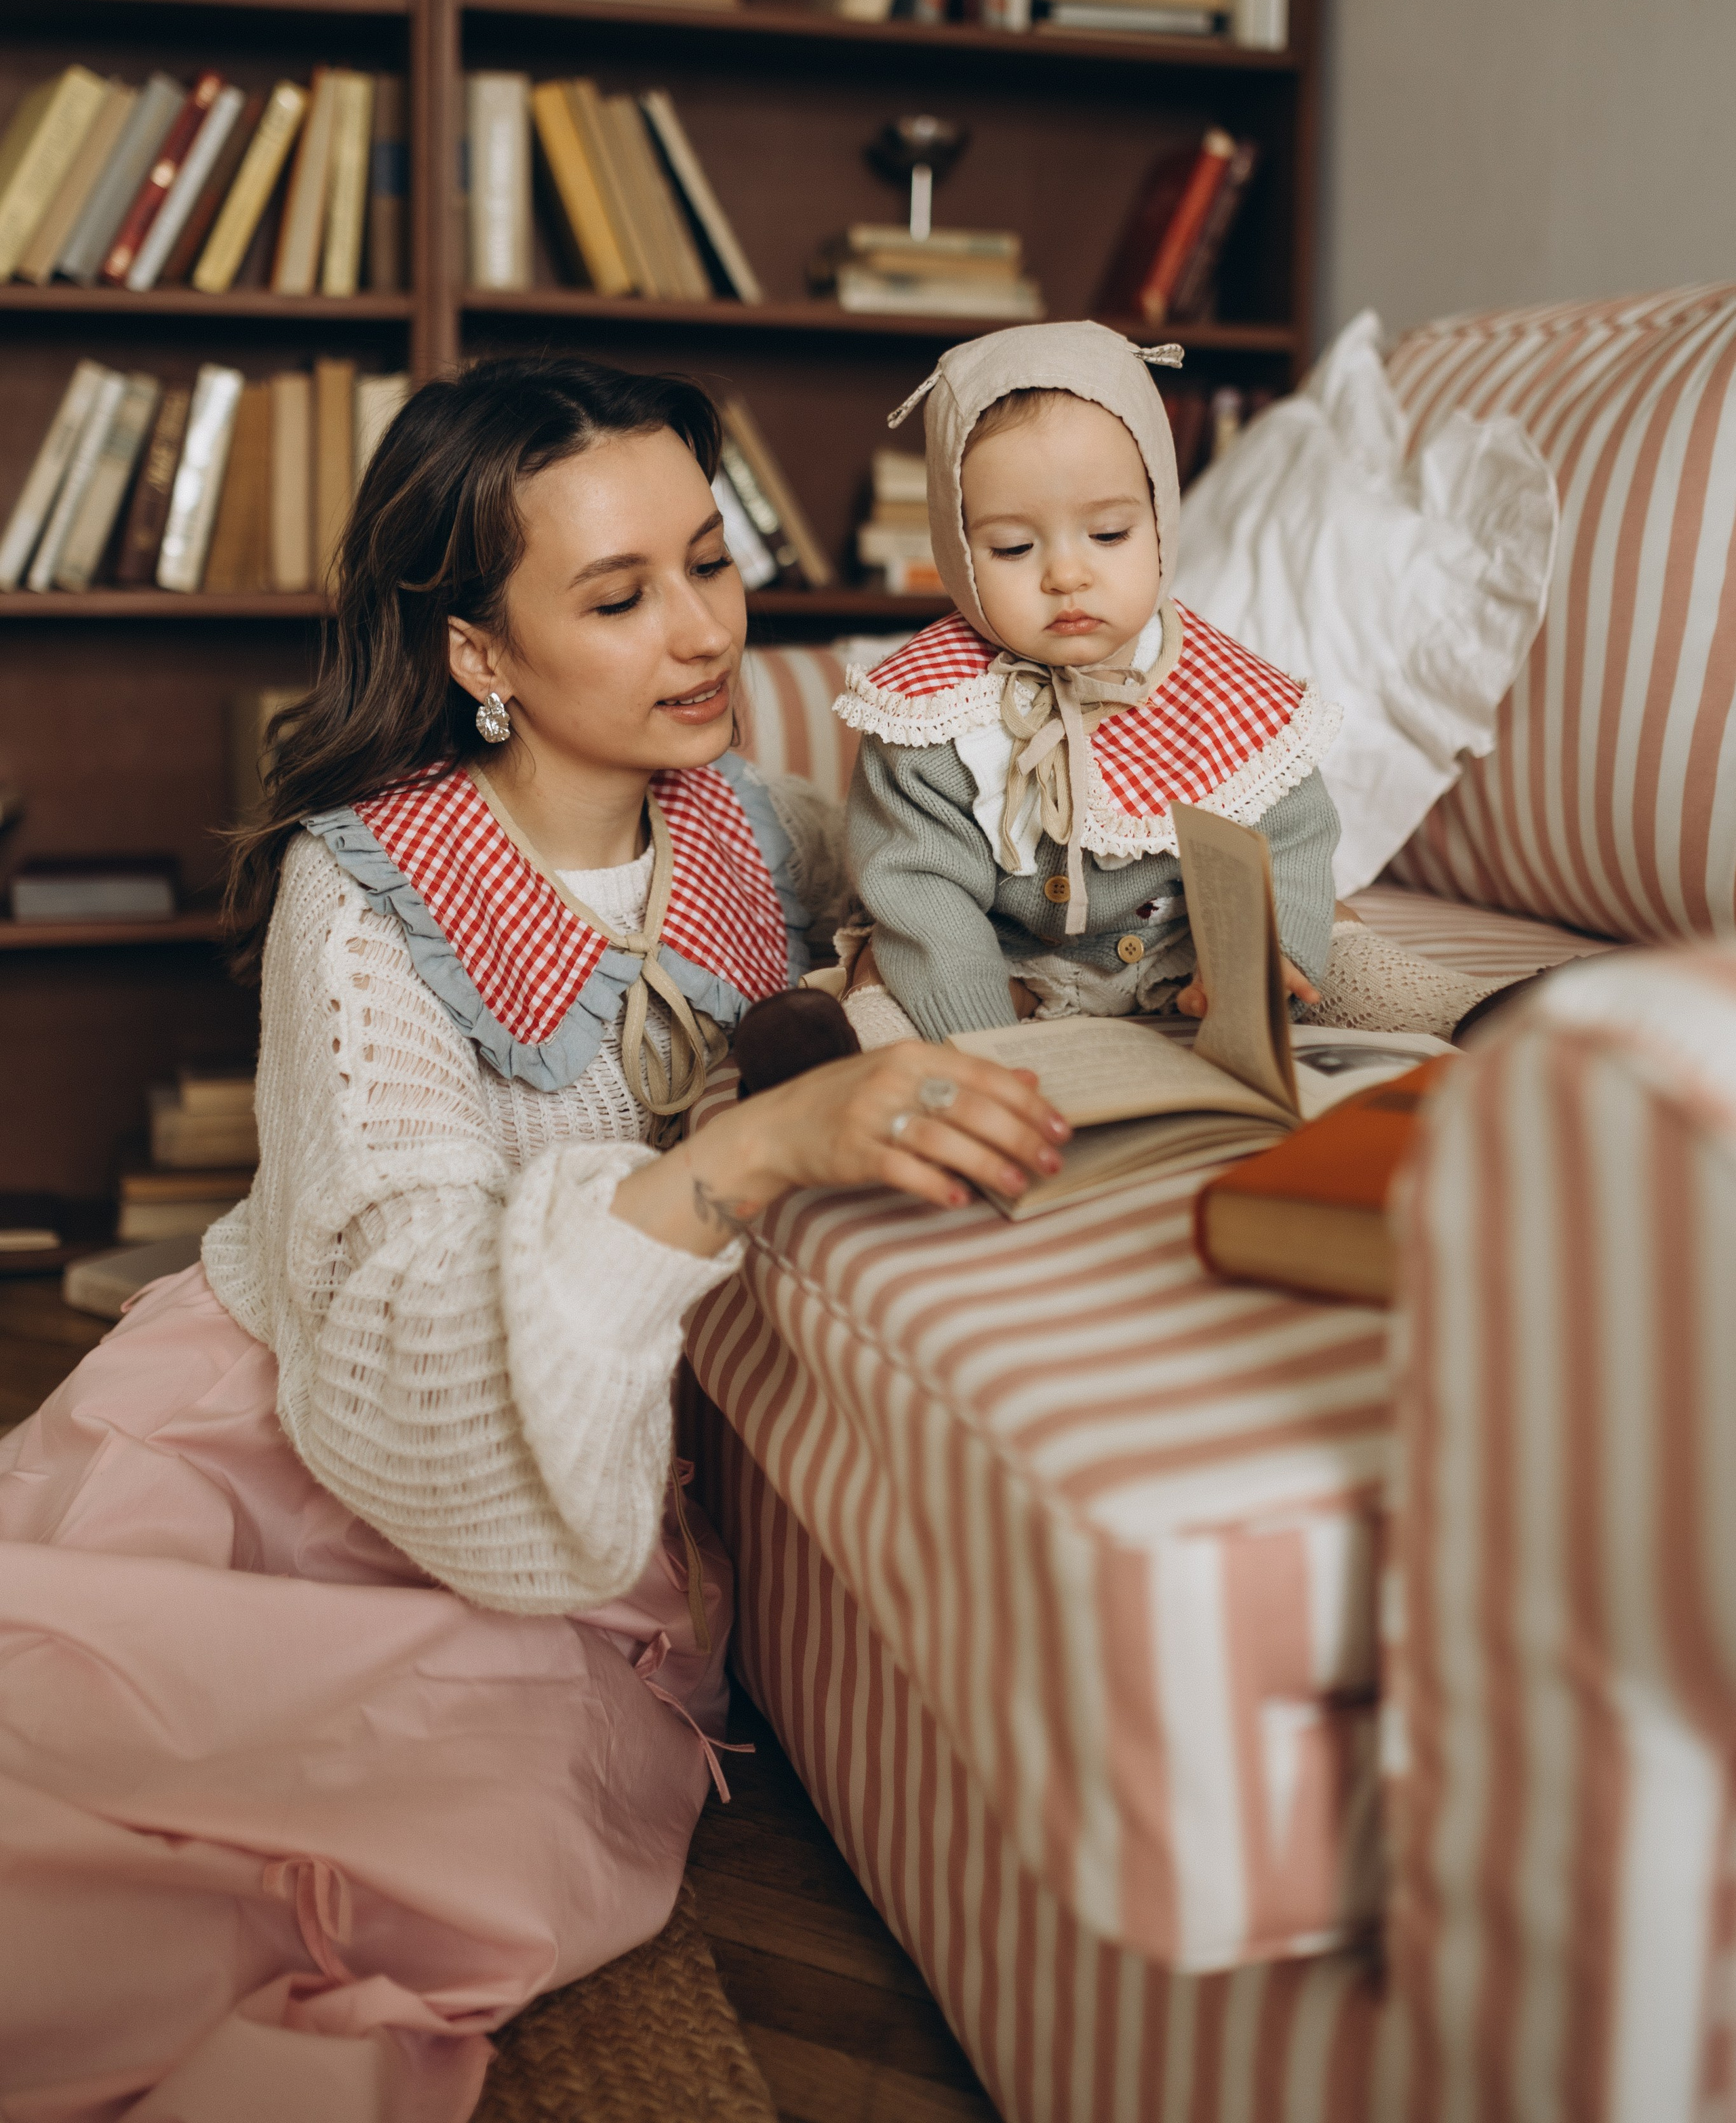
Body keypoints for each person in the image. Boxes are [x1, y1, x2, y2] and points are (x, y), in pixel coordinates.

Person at [0, 355, 1067, 2123]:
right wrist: (753, 1145)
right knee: (109, 1788)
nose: (703, 631)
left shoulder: (743, 823)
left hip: (569, 1483)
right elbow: (406, 1372)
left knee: (479, 1848)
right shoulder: (364, 898)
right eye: (619, 593)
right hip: (307, 1434)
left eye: (711, 565)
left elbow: (952, 881)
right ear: (477, 655)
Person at [831, 321, 1501, 1047]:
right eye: (1013, 547)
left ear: (1160, 521)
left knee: (1330, 935)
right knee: (890, 962)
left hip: (1185, 954)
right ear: (957, 550)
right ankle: (849, 1060)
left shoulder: (1220, 686)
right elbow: (922, 890)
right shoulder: (928, 717)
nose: (1066, 575)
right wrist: (981, 1043)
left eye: (1109, 535)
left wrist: (1259, 958)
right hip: (1011, 961)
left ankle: (1475, 1010)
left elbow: (1288, 838)